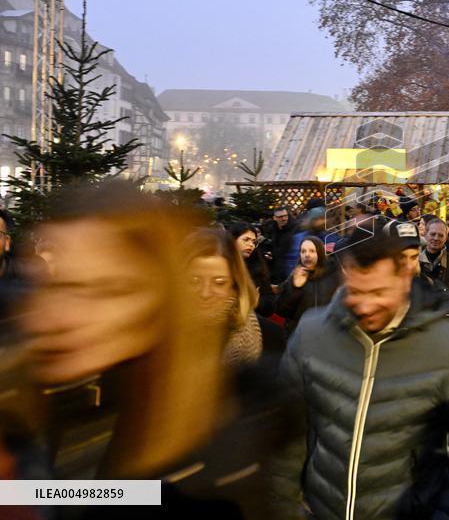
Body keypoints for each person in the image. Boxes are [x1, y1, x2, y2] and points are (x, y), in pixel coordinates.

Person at [20, 181, 297, 518]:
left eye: (104, 289)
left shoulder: (211, 454)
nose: (62, 312)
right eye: (54, 283)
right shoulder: (41, 401)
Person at [280, 226, 449, 519]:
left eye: (379, 292)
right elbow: (285, 438)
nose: (366, 305)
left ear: (405, 278)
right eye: (356, 291)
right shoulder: (311, 334)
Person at [185, 228, 286, 370]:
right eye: (194, 280)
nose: (205, 293)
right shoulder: (156, 333)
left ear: (234, 283)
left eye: (219, 282)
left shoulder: (270, 337)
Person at [275, 235, 340, 335]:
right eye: (303, 251)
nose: (307, 255)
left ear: (320, 253)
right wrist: (295, 288)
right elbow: (281, 310)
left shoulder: (334, 274)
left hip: (327, 336)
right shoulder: (295, 275)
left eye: (312, 251)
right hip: (299, 337)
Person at [227, 221, 274, 314]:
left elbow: (270, 303)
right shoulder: (220, 264)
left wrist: (256, 302)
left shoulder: (259, 266)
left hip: (252, 317)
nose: (251, 245)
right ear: (233, 240)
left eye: (254, 242)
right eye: (246, 240)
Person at [262, 205, 295, 282]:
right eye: (280, 217)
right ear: (275, 218)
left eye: (285, 216)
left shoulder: (294, 228)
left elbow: (285, 248)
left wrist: (273, 253)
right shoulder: (273, 227)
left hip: (288, 265)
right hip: (276, 264)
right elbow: (273, 244)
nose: (283, 219)